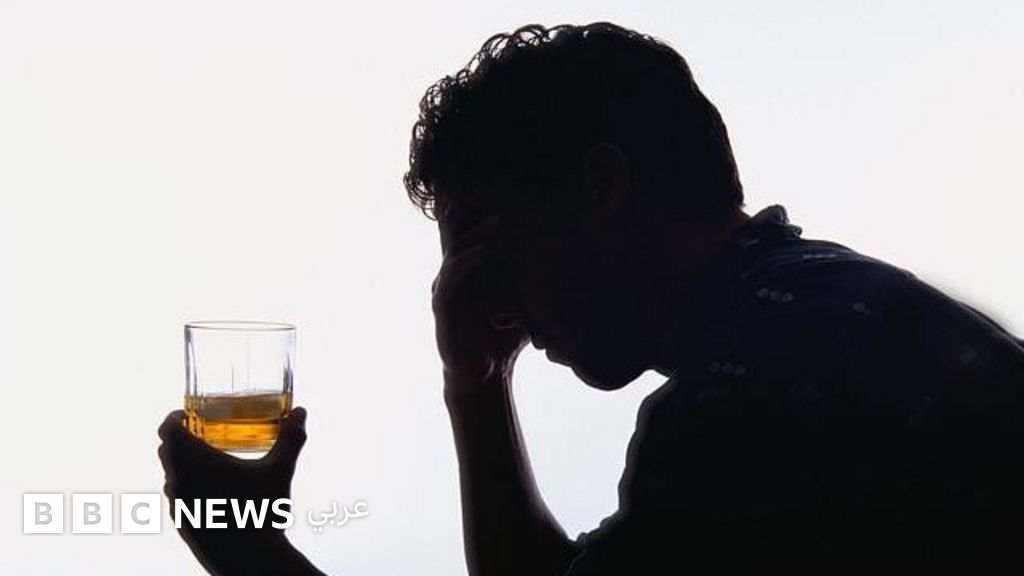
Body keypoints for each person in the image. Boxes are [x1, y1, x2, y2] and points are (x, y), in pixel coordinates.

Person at [159, 21, 1024, 575]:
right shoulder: (828, 314)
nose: (491, 303)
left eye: (487, 254)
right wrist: (477, 384)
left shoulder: (744, 399)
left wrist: (249, 553)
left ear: (602, 187)